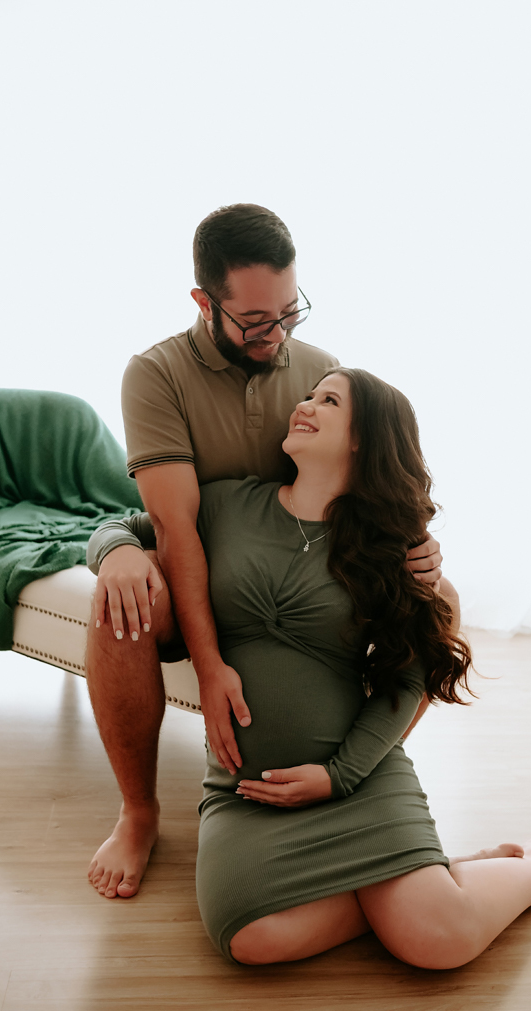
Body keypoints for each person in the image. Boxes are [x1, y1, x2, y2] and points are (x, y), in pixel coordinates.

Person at [87, 368, 531, 967]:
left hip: (356, 776)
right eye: (308, 395)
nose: (304, 405)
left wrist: (339, 776)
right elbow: (121, 525)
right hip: (247, 791)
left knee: (441, 943)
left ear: (362, 439)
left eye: (328, 400)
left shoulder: (388, 548)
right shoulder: (227, 503)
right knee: (249, 939)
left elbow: (409, 677)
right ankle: (433, 876)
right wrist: (117, 553)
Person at [86, 204, 457, 901]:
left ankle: (362, 777)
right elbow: (173, 527)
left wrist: (417, 544)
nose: (278, 334)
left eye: (290, 312)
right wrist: (201, 655)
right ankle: (138, 814)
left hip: (301, 571)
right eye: (257, 321)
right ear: (205, 303)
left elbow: (364, 476)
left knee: (443, 602)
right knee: (121, 605)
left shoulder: (319, 372)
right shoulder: (156, 374)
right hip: (207, 568)